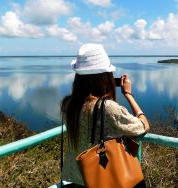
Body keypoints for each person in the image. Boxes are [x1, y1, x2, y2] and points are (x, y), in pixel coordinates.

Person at [60, 43, 150, 187]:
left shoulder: (68, 104)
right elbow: (143, 126)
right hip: (100, 180)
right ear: (104, 77)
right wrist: (128, 95)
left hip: (76, 179)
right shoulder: (108, 108)